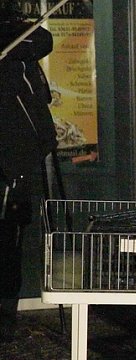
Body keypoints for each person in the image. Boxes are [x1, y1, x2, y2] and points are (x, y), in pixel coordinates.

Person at [0, 6, 57, 340]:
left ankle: (5, 315)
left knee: (8, 239)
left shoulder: (19, 34)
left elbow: (40, 39)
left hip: (15, 157)